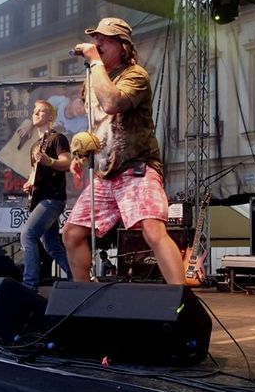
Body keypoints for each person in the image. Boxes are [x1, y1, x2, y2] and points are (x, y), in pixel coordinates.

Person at [61, 17, 184, 284]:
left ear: (123, 46)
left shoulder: (135, 75)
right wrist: (80, 155)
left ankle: (181, 298)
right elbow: (98, 125)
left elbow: (112, 104)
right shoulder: (91, 82)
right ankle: (84, 298)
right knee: (71, 234)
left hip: (136, 168)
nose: (97, 43)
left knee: (152, 230)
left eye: (104, 39)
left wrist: (95, 62)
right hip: (106, 174)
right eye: (96, 38)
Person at [21, 99, 73, 289]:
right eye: (35, 110)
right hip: (41, 199)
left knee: (28, 235)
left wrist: (49, 161)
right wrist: (29, 183)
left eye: (42, 111)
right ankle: (78, 277)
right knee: (51, 245)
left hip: (52, 198)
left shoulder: (57, 138)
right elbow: (35, 172)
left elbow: (67, 162)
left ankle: (29, 285)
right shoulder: (35, 145)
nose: (36, 113)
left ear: (51, 116)